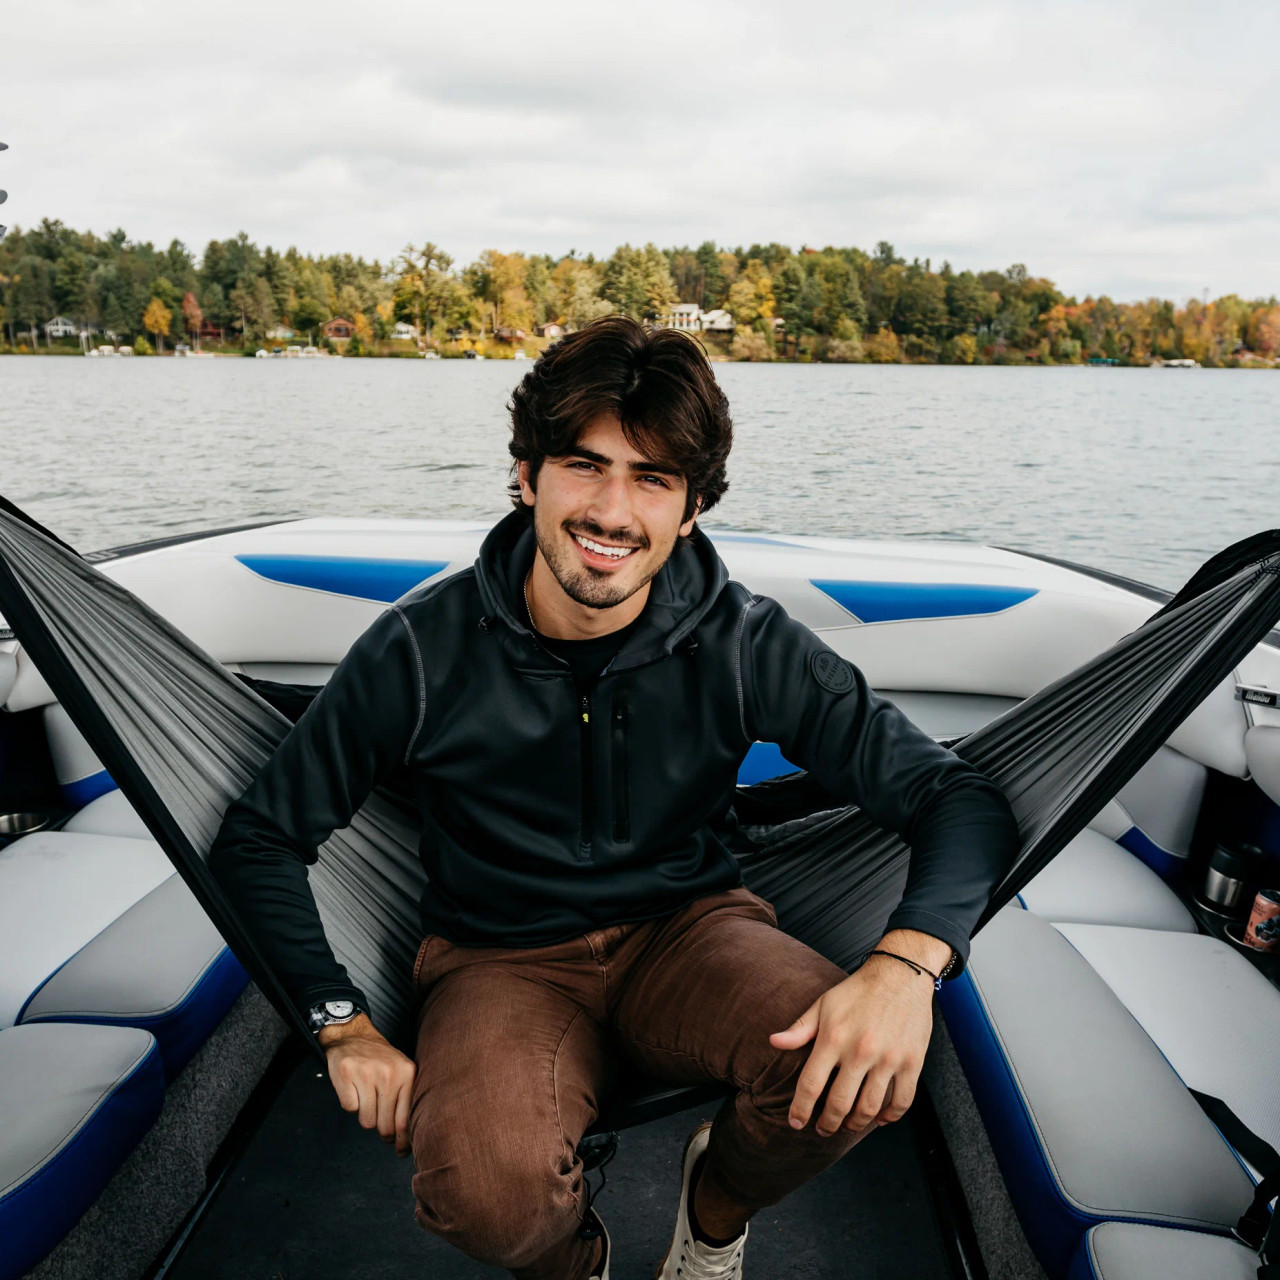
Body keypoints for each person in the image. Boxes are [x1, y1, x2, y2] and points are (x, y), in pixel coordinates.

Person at [209, 315, 1019, 1280]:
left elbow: (956, 797)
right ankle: (576, 1262)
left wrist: (904, 968)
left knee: (862, 1076)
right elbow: (261, 836)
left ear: (692, 506)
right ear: (527, 475)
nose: (612, 510)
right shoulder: (419, 649)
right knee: (486, 1198)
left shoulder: (745, 641)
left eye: (653, 478)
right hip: (498, 958)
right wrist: (340, 1026)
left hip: (691, 928)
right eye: (584, 466)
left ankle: (713, 1213)